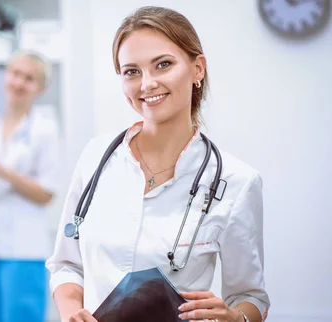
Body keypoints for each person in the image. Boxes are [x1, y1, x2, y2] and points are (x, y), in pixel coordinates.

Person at [46, 6, 270, 322]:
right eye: (131, 71)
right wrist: (73, 314)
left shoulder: (236, 181)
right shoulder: (95, 157)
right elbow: (66, 264)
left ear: (197, 69)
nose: (147, 84)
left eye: (162, 65)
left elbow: (251, 297)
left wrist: (237, 317)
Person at [0, 50, 60, 322]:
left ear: (40, 88)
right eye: (15, 74)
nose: (19, 83)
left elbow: (46, 193)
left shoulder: (45, 129)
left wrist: (1, 171)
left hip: (24, 247)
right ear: (5, 77)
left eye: (29, 78)